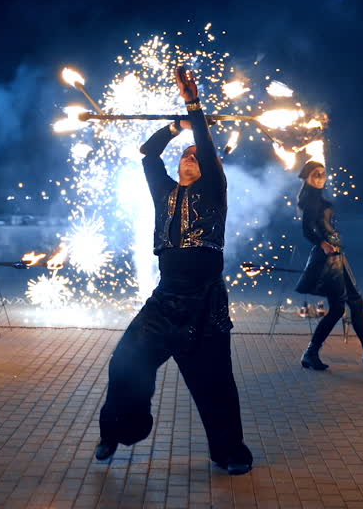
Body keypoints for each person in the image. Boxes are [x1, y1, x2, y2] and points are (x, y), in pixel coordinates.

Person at [95, 67, 253, 475]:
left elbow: (205, 142)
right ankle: (115, 431)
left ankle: (230, 453)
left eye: (197, 155)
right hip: (165, 302)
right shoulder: (164, 192)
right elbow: (148, 153)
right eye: (186, 153)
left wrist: (193, 105)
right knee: (124, 364)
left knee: (215, 385)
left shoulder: (214, 191)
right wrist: (175, 126)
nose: (189, 156)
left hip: (205, 305)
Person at [295, 160, 363, 370]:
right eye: (316, 174)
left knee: (350, 304)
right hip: (327, 261)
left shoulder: (319, 200)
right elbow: (306, 231)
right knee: (345, 305)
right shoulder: (310, 201)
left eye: (322, 174)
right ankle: (314, 353)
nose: (321, 177)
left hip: (337, 258)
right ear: (307, 177)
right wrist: (322, 243)